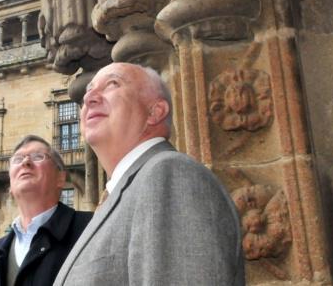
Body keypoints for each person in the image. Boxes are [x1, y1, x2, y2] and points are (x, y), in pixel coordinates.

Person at [54, 63, 245, 285]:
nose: (89, 99)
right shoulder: (126, 191)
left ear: (154, 112)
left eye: (112, 84)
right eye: (88, 91)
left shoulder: (170, 176)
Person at [0, 136, 92, 286]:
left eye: (37, 157)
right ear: (10, 183)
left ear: (60, 178)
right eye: (17, 159)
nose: (25, 162)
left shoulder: (92, 229)